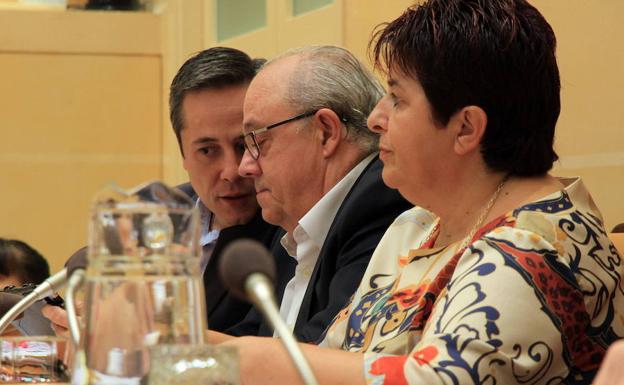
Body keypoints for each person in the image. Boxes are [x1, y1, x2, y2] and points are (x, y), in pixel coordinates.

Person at [219, 1, 624, 384]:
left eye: (397, 99)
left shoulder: (533, 250)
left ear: (465, 128)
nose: (376, 119)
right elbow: (332, 352)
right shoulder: (416, 225)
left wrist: (256, 360)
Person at [42, 47, 279, 333]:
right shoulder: (149, 214)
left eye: (244, 145)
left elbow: (268, 345)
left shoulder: (290, 223)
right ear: (183, 155)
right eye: (207, 150)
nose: (231, 170)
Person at [226, 45, 411, 342]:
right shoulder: (294, 216)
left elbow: (321, 352)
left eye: (257, 140)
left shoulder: (380, 205)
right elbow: (256, 336)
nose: (244, 167)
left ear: (325, 131)